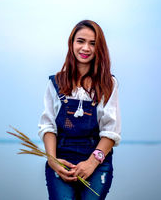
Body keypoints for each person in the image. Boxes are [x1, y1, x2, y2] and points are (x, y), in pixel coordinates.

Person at [38, 20, 121, 200]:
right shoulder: (55, 83)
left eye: (93, 43)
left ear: (100, 48)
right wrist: (52, 160)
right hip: (61, 160)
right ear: (72, 43)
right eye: (80, 41)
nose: (86, 48)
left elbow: (110, 131)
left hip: (98, 164)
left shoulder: (108, 83)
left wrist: (92, 163)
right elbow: (48, 127)